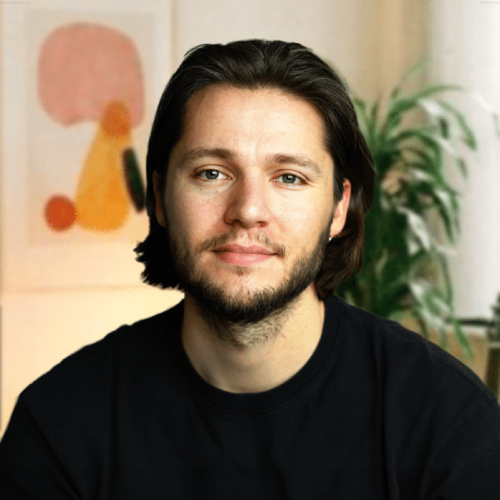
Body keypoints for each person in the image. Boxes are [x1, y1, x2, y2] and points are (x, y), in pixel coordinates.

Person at [0, 39, 499, 499]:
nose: (248, 210)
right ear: (160, 197)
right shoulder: (59, 425)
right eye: (212, 173)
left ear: (339, 209)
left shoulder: (447, 422)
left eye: (289, 177)